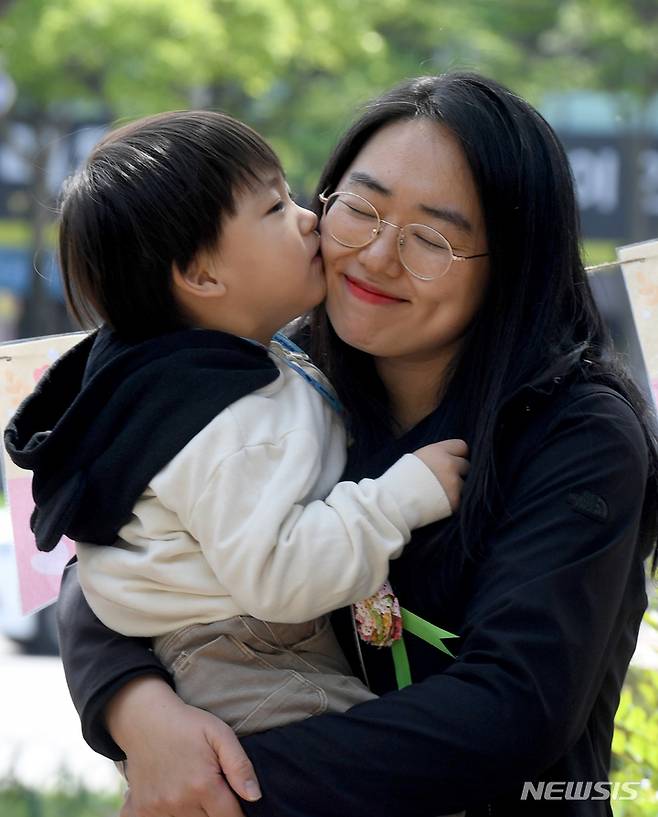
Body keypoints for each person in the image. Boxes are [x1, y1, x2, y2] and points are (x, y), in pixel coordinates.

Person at [55, 72, 658, 817]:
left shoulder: (579, 434)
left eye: (432, 239)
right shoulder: (279, 374)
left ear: (512, 265)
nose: (375, 257)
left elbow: (512, 708)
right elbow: (120, 537)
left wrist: (220, 785)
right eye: (359, 210)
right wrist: (139, 708)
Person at [5, 110, 468, 739]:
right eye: (275, 208)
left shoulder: (189, 374)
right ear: (201, 274)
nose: (311, 218)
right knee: (390, 774)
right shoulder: (229, 418)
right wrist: (402, 495)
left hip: (217, 653)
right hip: (248, 660)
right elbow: (279, 576)